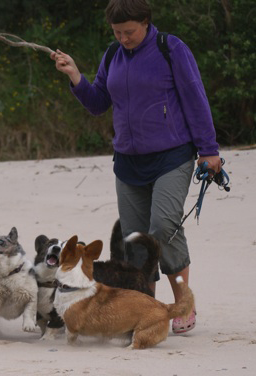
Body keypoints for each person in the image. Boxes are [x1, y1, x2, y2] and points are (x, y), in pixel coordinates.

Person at [50, 0, 221, 334]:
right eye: (117, 32)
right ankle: (147, 310)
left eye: (129, 32)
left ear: (145, 22)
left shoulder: (170, 48)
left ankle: (183, 303)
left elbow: (194, 97)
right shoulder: (112, 54)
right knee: (134, 240)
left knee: (163, 225)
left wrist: (209, 149)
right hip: (127, 161)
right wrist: (75, 76)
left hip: (172, 155)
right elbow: (99, 102)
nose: (123, 38)